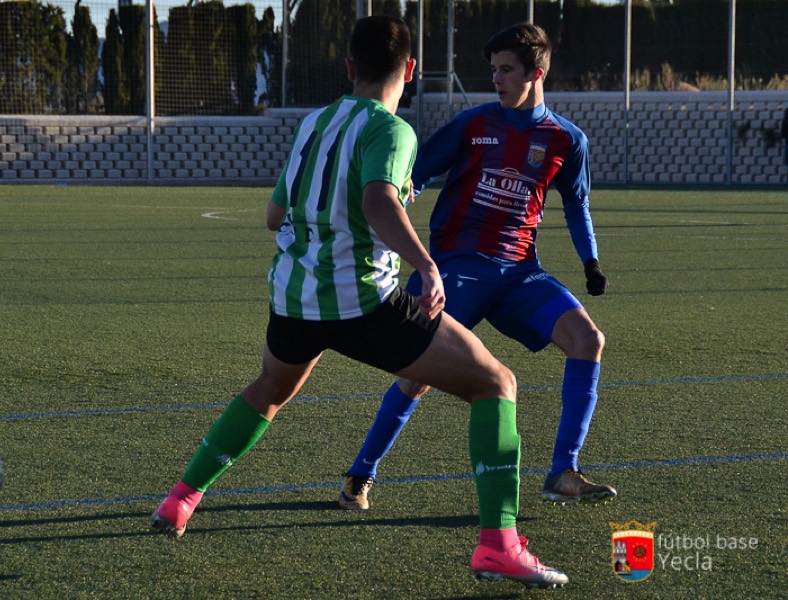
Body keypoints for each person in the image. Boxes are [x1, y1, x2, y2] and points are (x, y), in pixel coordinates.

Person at [150, 16, 568, 589]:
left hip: (293, 298)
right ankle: (499, 545)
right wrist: (425, 265)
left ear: (350, 69)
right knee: (495, 384)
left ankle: (180, 499)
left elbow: (274, 216)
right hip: (363, 303)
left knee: (269, 391)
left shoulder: (314, 123)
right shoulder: (392, 131)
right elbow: (379, 203)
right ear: (411, 71)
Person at [338, 22, 616, 512]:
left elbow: (577, 205)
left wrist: (590, 261)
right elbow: (413, 174)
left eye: (507, 69)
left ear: (537, 72)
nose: (497, 79)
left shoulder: (566, 140)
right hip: (457, 270)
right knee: (417, 374)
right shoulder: (472, 125)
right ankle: (360, 474)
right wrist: (401, 208)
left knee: (588, 340)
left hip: (519, 274)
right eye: (494, 70)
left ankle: (563, 473)